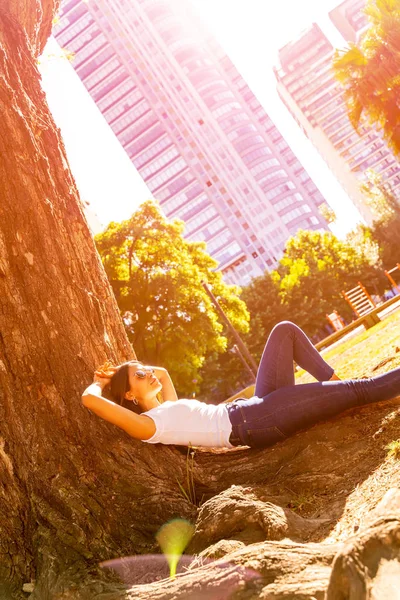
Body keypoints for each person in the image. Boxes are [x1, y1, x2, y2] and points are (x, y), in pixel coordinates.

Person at [81, 321, 400, 449]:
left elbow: (162, 373)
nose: (147, 373)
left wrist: (129, 371)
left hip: (255, 409)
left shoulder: (165, 408)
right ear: (128, 396)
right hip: (258, 421)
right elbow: (89, 401)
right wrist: (99, 383)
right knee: (363, 390)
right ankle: (340, 392)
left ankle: (332, 384)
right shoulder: (145, 427)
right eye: (138, 377)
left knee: (284, 330)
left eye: (143, 368)